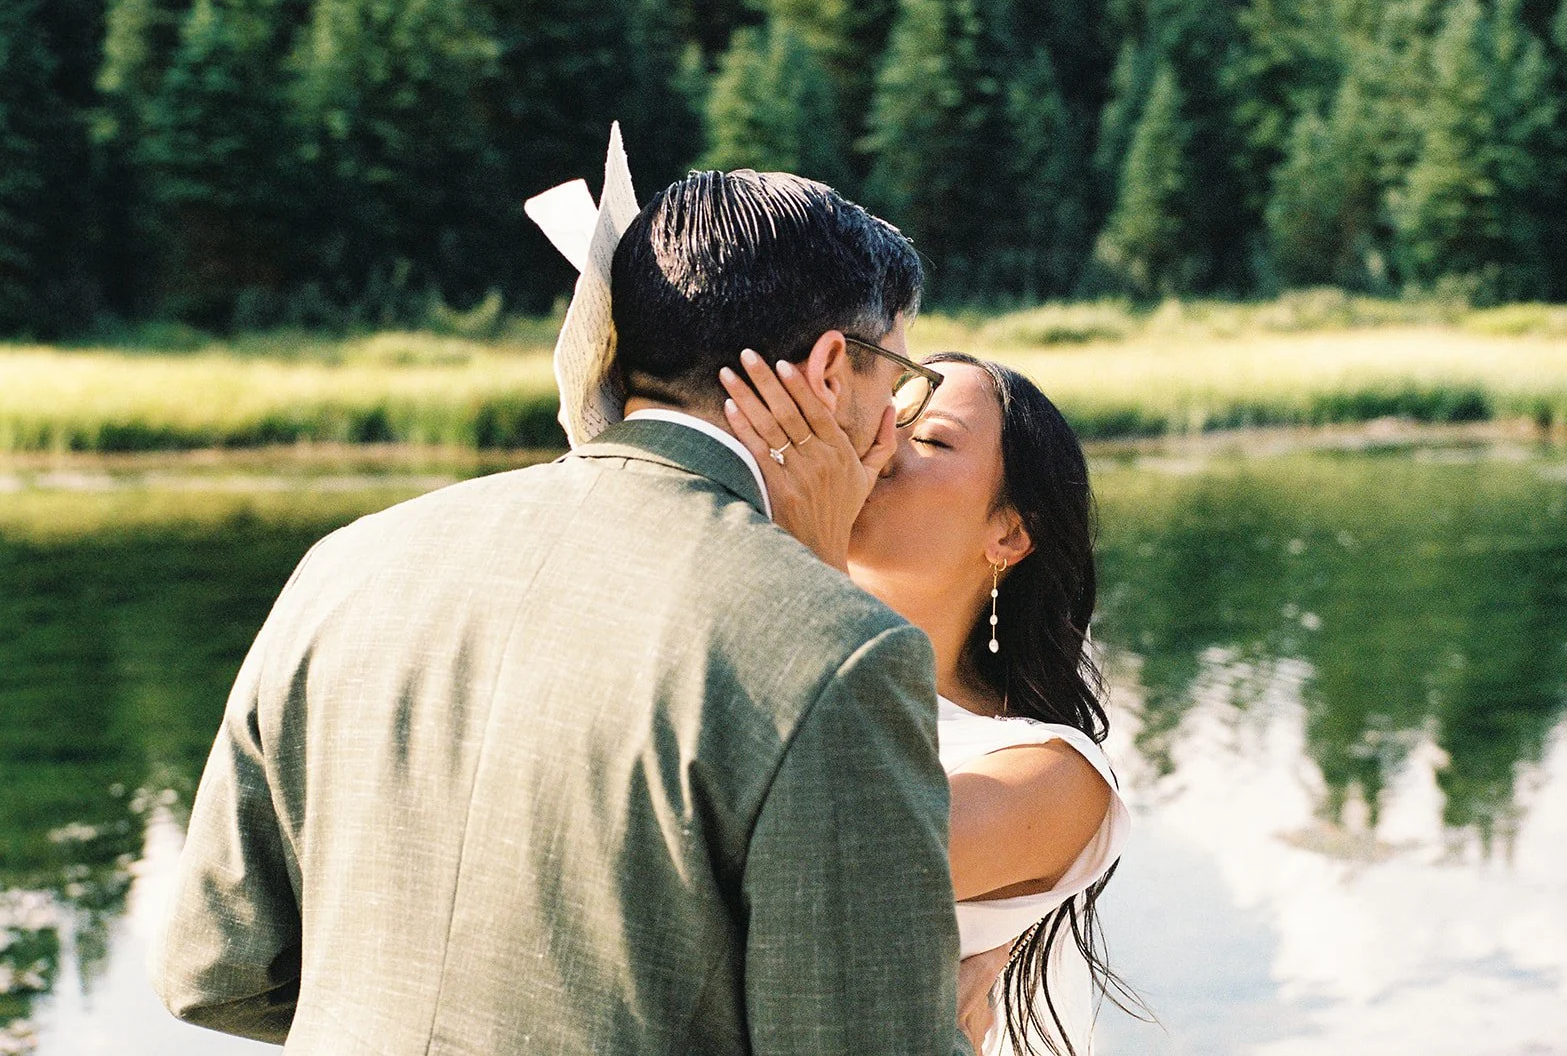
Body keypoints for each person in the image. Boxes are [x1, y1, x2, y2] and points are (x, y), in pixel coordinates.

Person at [150, 171, 982, 1054]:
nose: (891, 433)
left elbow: (217, 971)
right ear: (823, 369)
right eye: (896, 378)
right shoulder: (840, 652)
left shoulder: (345, 563)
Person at [720, 349, 1135, 1055]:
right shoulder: (740, 645)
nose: (880, 448)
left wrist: (810, 549)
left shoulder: (1054, 775)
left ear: (1007, 533)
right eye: (887, 418)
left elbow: (829, 860)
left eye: (932, 439)